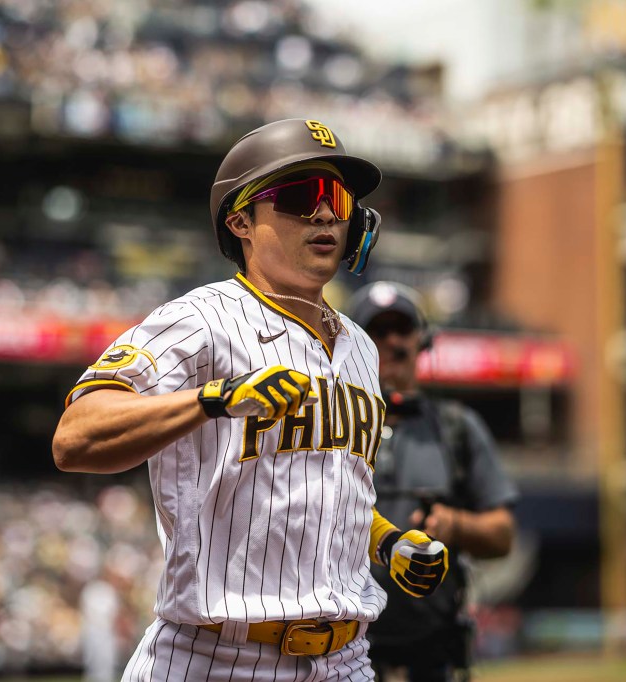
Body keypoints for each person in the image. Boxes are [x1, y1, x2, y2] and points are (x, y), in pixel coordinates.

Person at [52, 119, 450, 681]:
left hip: (348, 661)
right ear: (240, 221)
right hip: (216, 659)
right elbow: (75, 437)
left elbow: (328, 492)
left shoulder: (361, 347)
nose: (324, 214)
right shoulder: (200, 320)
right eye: (300, 196)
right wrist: (213, 399)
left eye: (338, 199)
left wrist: (387, 542)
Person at [348, 281, 519, 682]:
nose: (390, 342)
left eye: (401, 329)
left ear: (422, 341)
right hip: (340, 652)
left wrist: (455, 524)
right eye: (376, 331)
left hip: (430, 656)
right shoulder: (330, 424)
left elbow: (503, 535)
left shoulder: (456, 428)